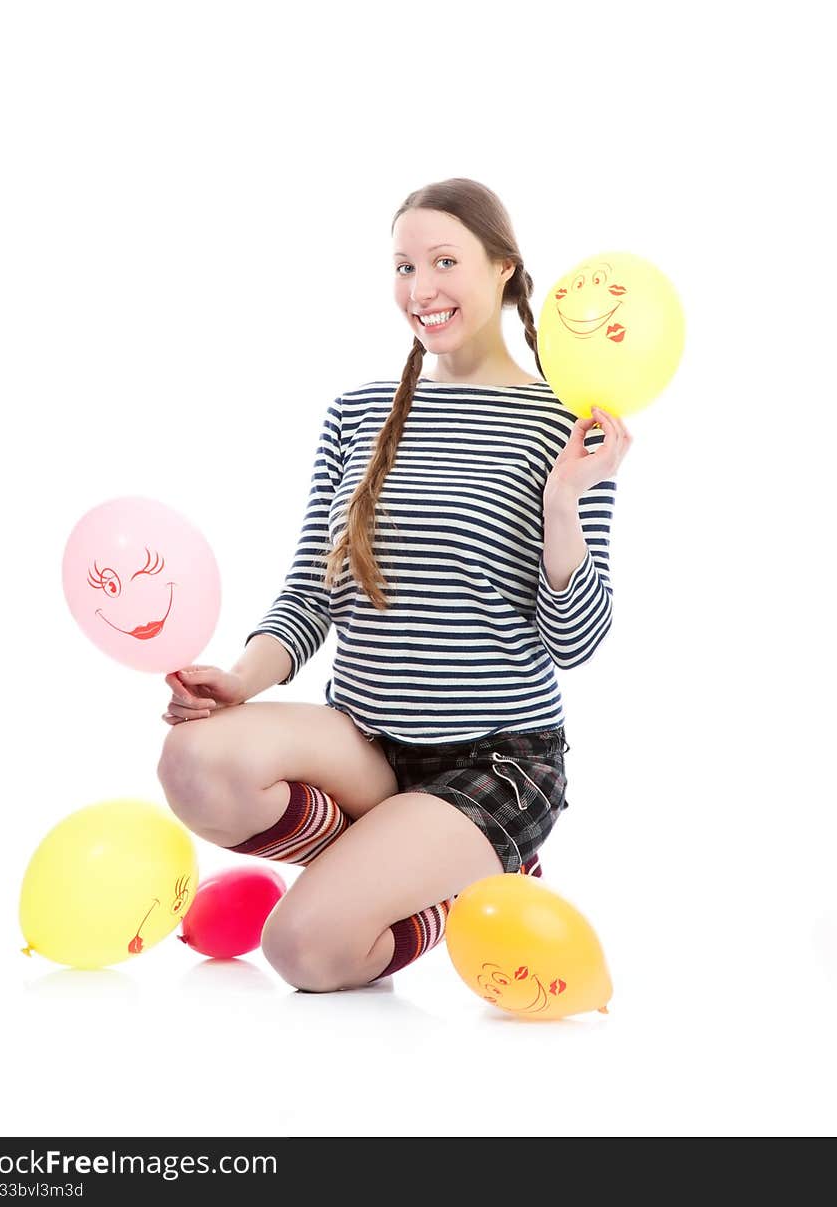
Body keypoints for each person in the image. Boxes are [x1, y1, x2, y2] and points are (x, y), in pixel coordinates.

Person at [157, 177, 632, 994]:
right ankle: (395, 852)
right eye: (404, 266)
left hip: (497, 761)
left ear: (505, 268)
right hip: (366, 745)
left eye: (445, 261)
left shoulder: (567, 422)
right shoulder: (357, 411)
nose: (421, 288)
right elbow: (309, 595)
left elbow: (576, 641)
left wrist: (564, 500)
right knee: (193, 763)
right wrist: (238, 679)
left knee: (304, 950)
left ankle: (464, 868)